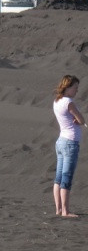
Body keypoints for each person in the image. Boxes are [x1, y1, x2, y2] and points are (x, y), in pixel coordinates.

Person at [53, 75, 86, 217]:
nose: (77, 90)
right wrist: (78, 120)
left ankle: (59, 209)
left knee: (58, 178)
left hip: (61, 141)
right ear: (67, 87)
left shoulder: (57, 100)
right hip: (70, 142)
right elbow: (81, 119)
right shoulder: (68, 102)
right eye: (75, 88)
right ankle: (65, 211)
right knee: (66, 177)